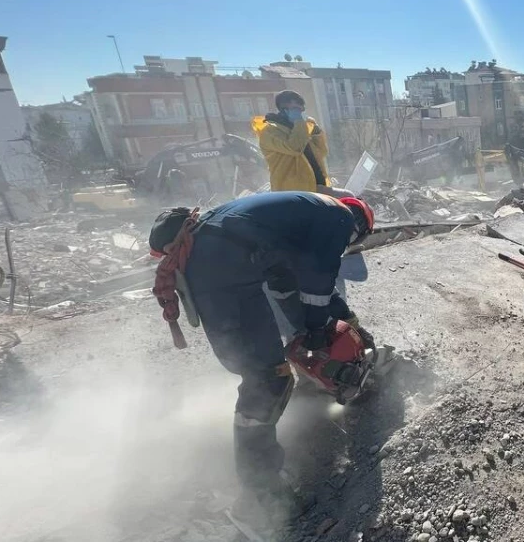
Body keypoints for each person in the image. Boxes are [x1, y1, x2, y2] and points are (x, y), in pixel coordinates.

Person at [148, 191, 375, 530]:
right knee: (267, 378)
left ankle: (301, 402)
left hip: (226, 268)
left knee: (273, 370)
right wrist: (315, 330)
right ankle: (257, 495)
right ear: (358, 226)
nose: (346, 246)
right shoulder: (338, 218)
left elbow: (295, 290)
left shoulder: (295, 221)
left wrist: (326, 328)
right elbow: (320, 279)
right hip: (221, 272)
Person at [253, 90, 348, 196]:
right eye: (296, 109)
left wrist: (317, 134)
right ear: (284, 108)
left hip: (313, 185)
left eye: (302, 109)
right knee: (348, 196)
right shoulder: (270, 131)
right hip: (293, 190)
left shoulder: (299, 128)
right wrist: (299, 122)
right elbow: (295, 149)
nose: (300, 112)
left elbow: (322, 153)